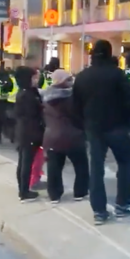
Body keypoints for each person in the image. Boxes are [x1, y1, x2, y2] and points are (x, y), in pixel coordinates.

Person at [73, 40, 130, 224]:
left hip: (94, 128)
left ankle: (99, 211)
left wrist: (84, 124)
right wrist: (126, 119)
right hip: (117, 127)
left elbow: (75, 106)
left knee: (96, 169)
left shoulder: (82, 76)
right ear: (110, 54)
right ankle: (123, 203)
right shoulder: (117, 75)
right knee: (124, 164)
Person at [42, 69, 89, 203]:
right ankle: (80, 192)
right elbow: (79, 116)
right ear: (62, 82)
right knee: (81, 165)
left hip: (52, 137)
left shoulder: (46, 97)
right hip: (73, 137)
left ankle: (54, 194)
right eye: (68, 79)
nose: (71, 82)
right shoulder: (71, 98)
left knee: (54, 168)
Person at [14, 66, 44, 202]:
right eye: (34, 77)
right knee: (26, 162)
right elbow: (34, 115)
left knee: (23, 161)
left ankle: (23, 189)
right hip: (29, 133)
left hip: (24, 132)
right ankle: (24, 192)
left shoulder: (26, 92)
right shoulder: (27, 95)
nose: (37, 79)